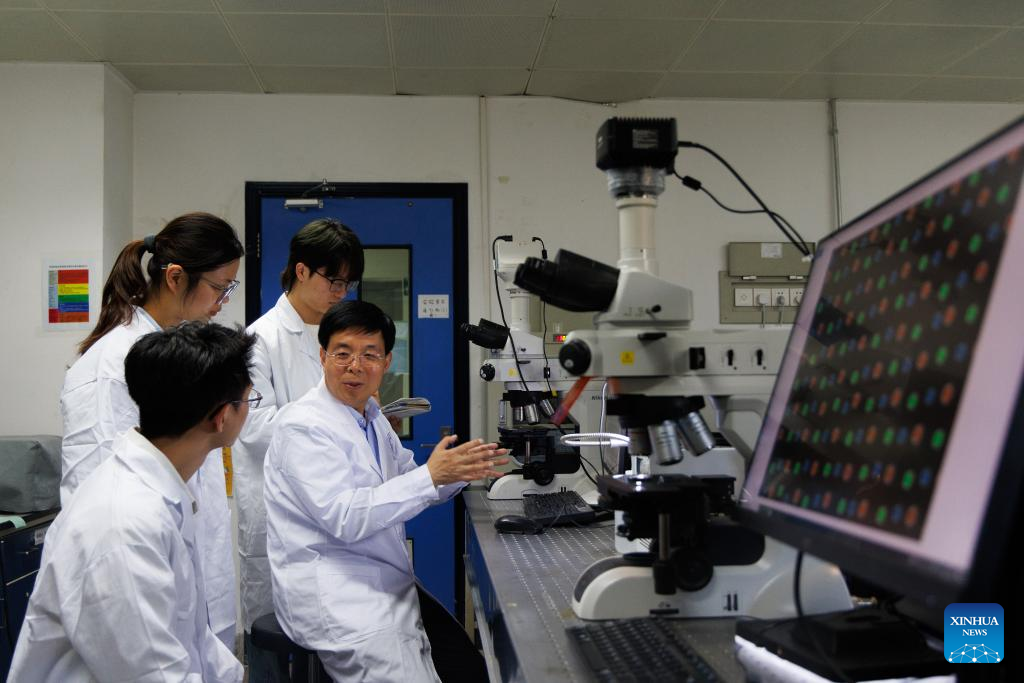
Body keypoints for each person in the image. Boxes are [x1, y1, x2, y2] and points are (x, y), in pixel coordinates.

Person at [265, 301, 507, 682]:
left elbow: (410, 478)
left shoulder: (371, 418)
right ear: (323, 356)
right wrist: (431, 477)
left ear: (387, 361)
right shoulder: (302, 426)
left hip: (383, 581)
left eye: (369, 355)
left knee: (468, 666)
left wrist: (461, 469)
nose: (355, 366)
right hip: (338, 593)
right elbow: (346, 518)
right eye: (342, 353)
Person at [9, 322, 256, 682]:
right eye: (248, 400)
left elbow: (193, 637)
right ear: (221, 417)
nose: (249, 410)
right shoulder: (123, 525)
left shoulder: (162, 490)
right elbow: (155, 674)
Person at [59, 212, 244, 650]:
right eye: (219, 288)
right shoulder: (112, 365)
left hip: (190, 577)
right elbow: (106, 503)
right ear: (176, 277)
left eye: (230, 289)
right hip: (138, 583)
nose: (223, 302)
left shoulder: (180, 353)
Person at [233, 218, 364, 680]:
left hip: (335, 511)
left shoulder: (339, 337)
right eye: (334, 281)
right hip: (278, 517)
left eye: (348, 284)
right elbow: (254, 427)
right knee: (272, 647)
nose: (341, 293)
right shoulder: (258, 341)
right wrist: (333, 422)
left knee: (334, 646)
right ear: (301, 270)